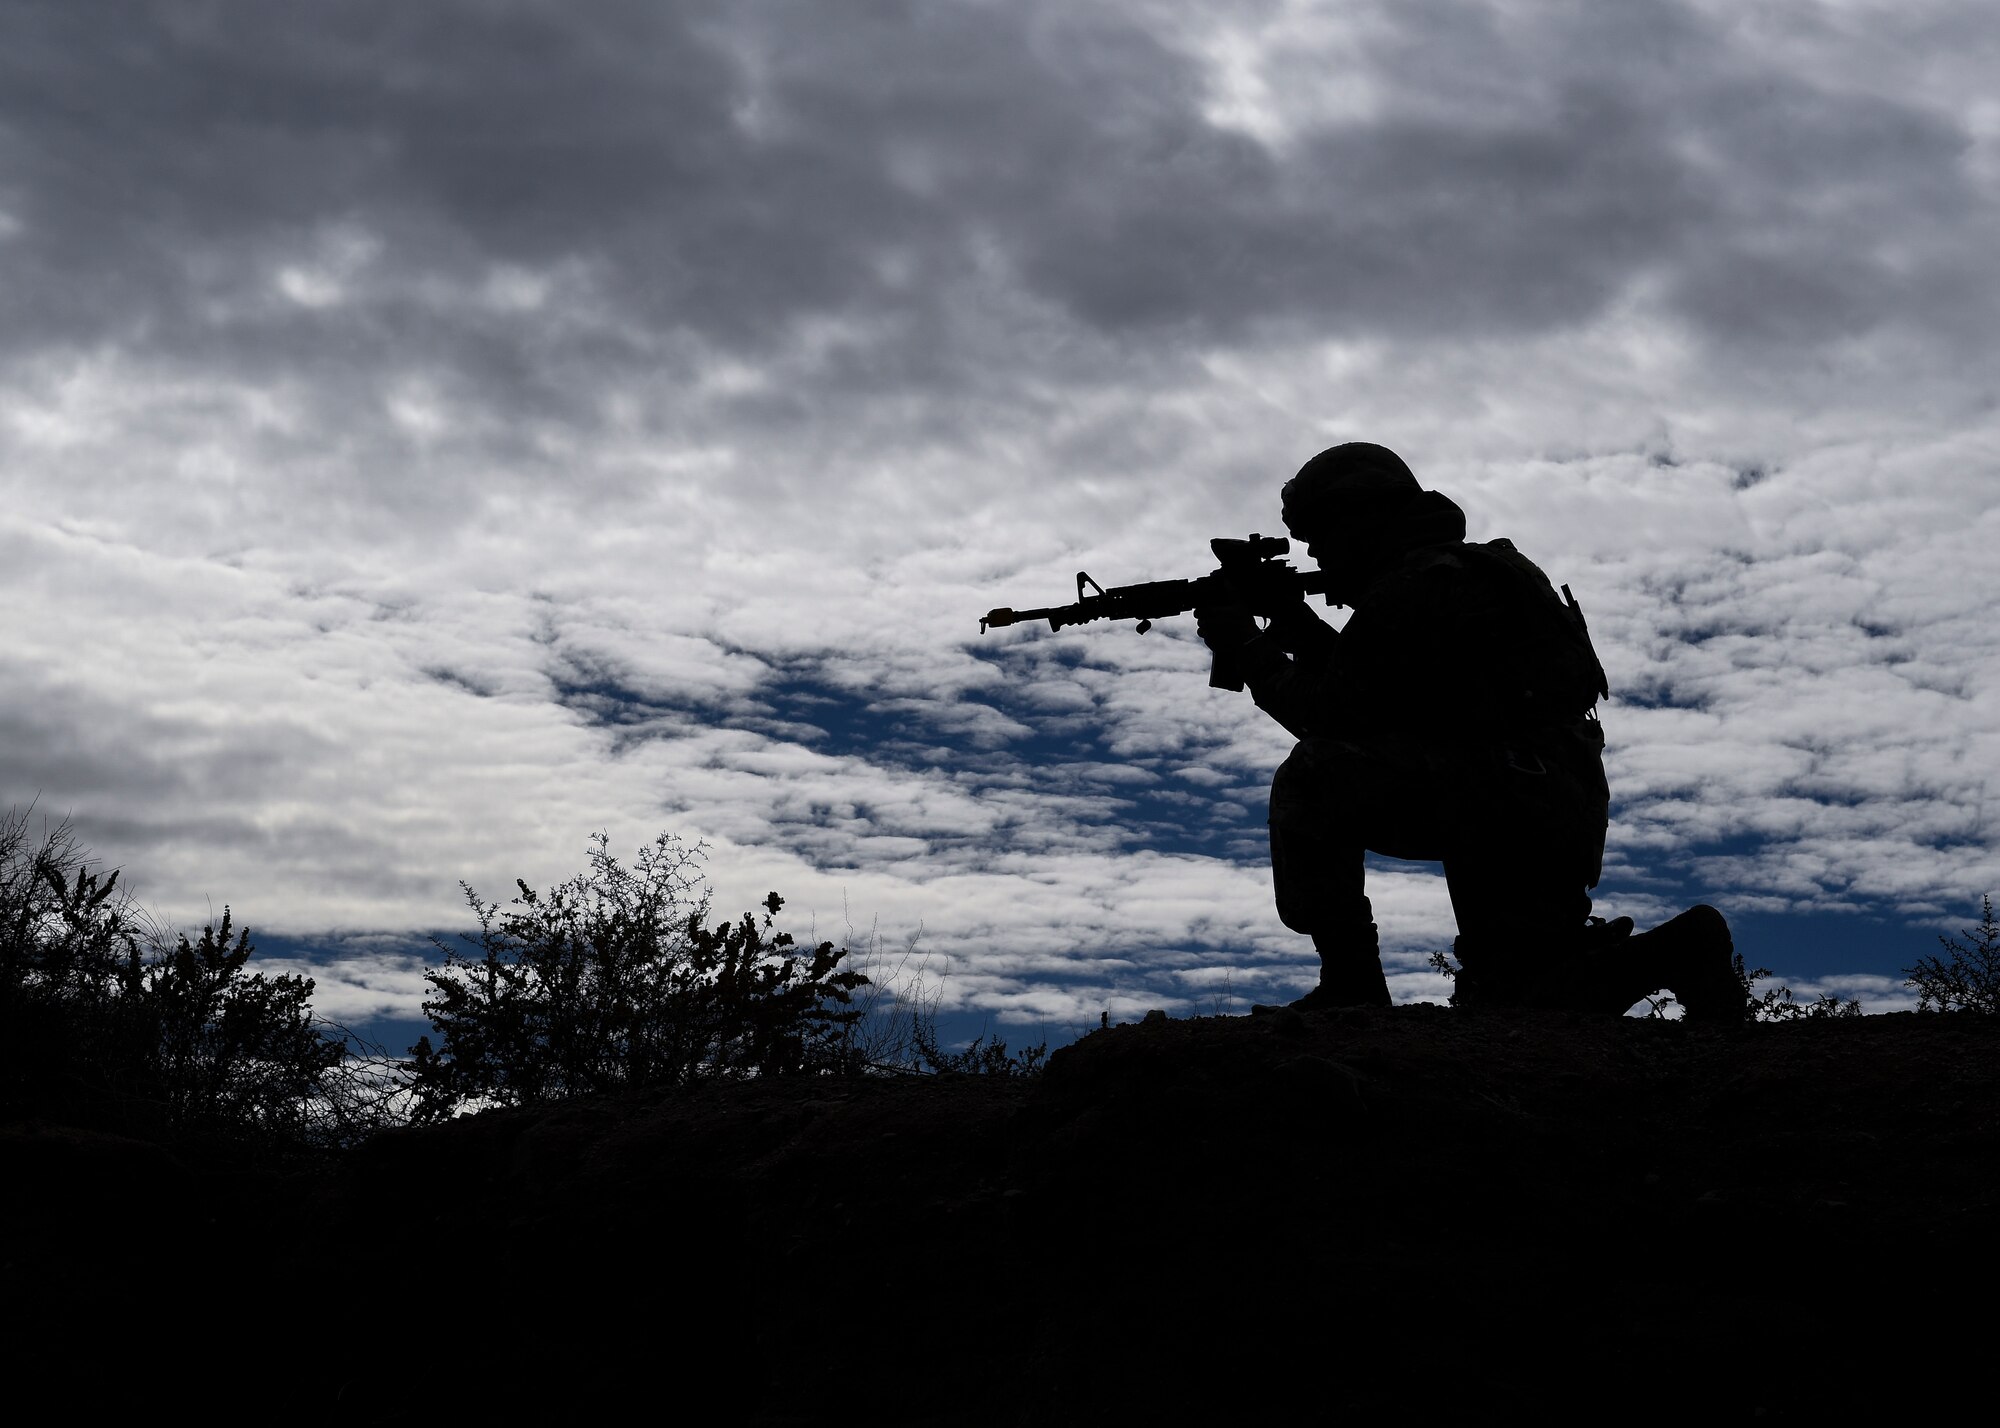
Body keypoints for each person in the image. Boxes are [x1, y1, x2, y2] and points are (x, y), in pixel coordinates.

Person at [1195, 442, 1741, 1019]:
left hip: (1496, 796)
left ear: (1361, 519)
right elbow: (1388, 693)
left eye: (1322, 539)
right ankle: (1684, 947)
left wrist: (1248, 647)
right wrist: (1291, 623)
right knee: (1525, 1000)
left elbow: (1329, 714)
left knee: (1313, 776)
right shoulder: (1462, 571)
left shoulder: (1413, 584)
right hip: (1544, 800)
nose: (1320, 559)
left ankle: (1351, 982)